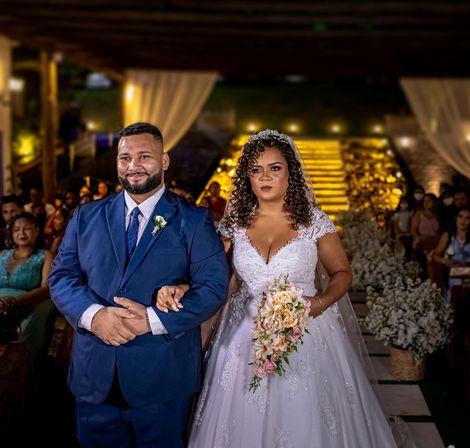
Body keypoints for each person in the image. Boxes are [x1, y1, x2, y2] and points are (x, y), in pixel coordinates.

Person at [157, 130, 396, 447]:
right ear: (247, 178)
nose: (264, 177)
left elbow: (342, 272)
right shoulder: (234, 224)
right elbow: (212, 273)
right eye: (256, 170)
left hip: (308, 329)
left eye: (274, 168)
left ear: (291, 172)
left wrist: (320, 303)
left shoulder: (314, 221)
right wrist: (184, 286)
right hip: (243, 331)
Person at [48, 122, 229, 447]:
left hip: (162, 379)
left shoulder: (193, 220)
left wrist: (152, 320)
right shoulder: (85, 216)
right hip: (94, 379)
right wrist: (94, 316)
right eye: (125, 158)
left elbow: (214, 288)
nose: (133, 166)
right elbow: (61, 277)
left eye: (144, 156)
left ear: (164, 161)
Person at [0, 213, 54, 364]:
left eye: (26, 229)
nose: (21, 233)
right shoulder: (3, 254)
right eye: (16, 229)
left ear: (36, 230)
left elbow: (46, 289)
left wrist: (13, 301)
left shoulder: (45, 256)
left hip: (26, 307)